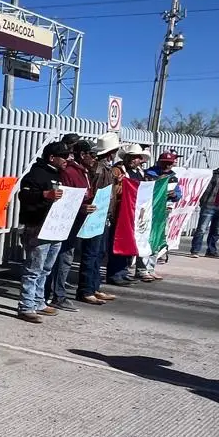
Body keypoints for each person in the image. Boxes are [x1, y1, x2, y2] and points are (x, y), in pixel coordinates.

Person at [16, 141, 69, 323]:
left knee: (46, 269)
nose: (67, 159)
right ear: (52, 157)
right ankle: (26, 306)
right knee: (33, 269)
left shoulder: (58, 174)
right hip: (37, 226)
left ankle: (39, 301)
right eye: (63, 156)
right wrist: (44, 195)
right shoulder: (35, 174)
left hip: (55, 228)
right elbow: (23, 195)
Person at [44, 134, 91, 314]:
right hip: (64, 221)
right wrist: (81, 207)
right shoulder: (68, 171)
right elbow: (67, 197)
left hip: (74, 219)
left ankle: (55, 294)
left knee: (65, 257)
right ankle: (54, 295)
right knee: (59, 258)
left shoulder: (80, 170)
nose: (68, 155)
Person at [76, 134, 121, 305]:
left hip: (102, 215)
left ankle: (94, 286)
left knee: (98, 253)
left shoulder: (104, 169)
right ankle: (86, 289)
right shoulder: (98, 169)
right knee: (91, 254)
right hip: (96, 216)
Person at [136, 150, 184, 279]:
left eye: (170, 163)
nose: (168, 165)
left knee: (157, 240)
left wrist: (175, 195)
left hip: (164, 212)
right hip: (149, 211)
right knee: (145, 239)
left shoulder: (173, 177)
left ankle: (151, 268)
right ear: (159, 162)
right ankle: (142, 269)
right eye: (165, 163)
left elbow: (179, 193)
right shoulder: (149, 174)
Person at [106, 144, 148, 287]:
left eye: (136, 157)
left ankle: (123, 271)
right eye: (131, 157)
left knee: (128, 242)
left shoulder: (139, 172)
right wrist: (119, 184)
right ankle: (115, 274)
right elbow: (112, 190)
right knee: (118, 242)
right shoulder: (117, 170)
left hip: (132, 212)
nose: (133, 160)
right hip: (120, 212)